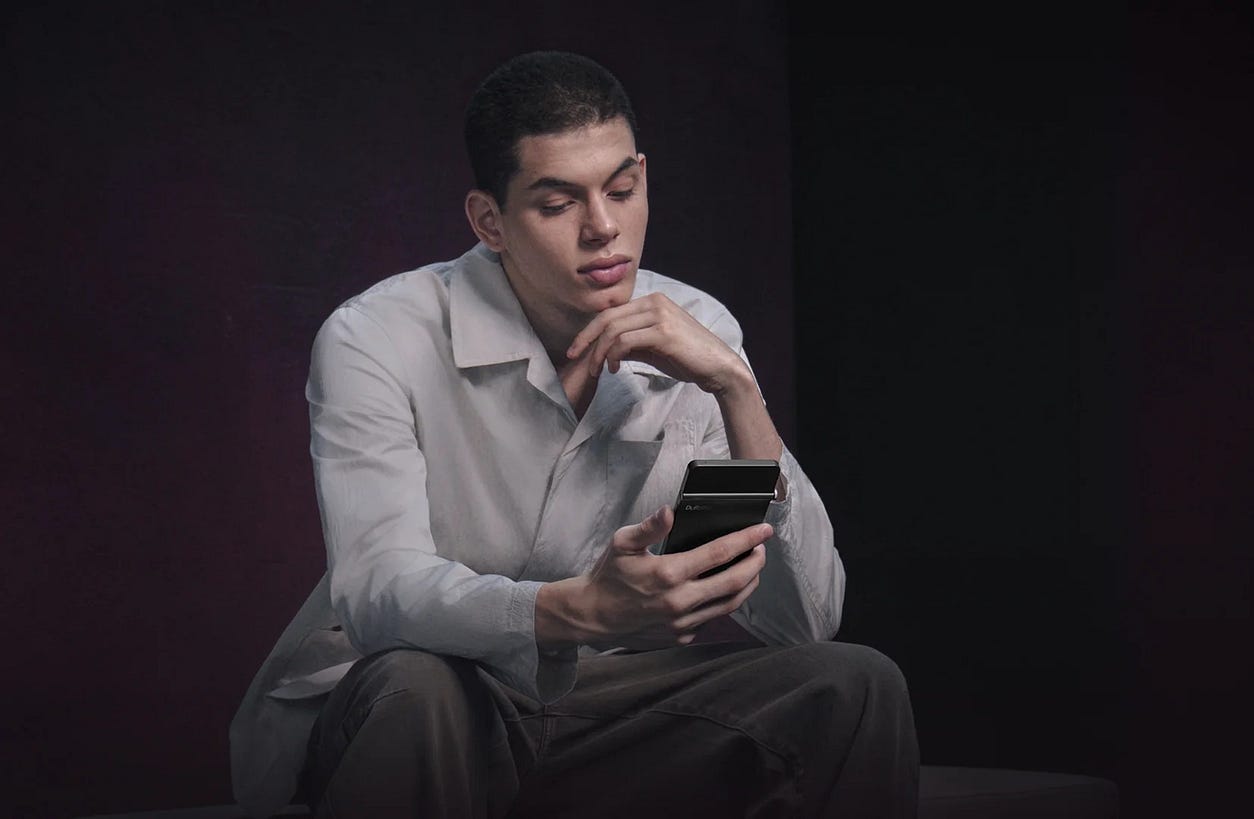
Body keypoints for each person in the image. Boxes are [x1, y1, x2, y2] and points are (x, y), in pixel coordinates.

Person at [229, 49, 919, 818]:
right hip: (413, 698)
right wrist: (576, 609)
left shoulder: (698, 335)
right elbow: (378, 590)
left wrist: (735, 389)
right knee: (421, 683)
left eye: (621, 190)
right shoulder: (379, 336)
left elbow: (798, 620)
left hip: (600, 704)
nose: (604, 228)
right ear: (489, 221)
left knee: (854, 683)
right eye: (558, 204)